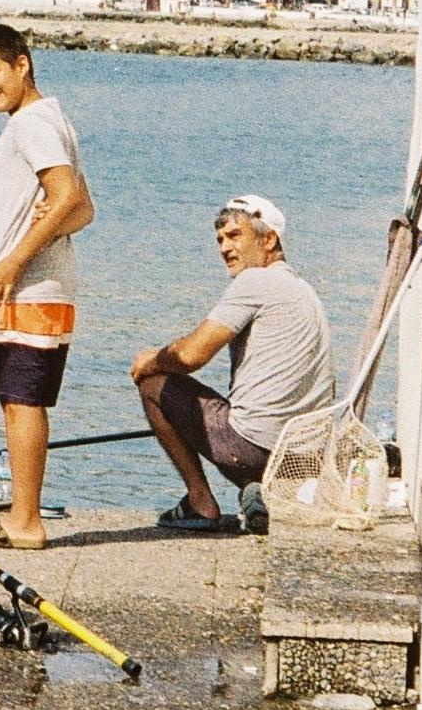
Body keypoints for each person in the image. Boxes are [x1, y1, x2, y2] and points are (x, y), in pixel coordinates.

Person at [132, 194, 334, 534]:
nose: (225, 248)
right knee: (241, 416)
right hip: (304, 457)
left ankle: (200, 501)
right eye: (221, 240)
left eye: (235, 236)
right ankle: (257, 491)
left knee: (153, 384)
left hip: (255, 448)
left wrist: (150, 360)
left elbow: (191, 355)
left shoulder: (255, 281)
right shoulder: (303, 290)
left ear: (268, 239)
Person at [0, 23, 88, 553]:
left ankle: (26, 520)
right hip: (34, 282)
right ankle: (22, 513)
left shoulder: (33, 122)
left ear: (22, 63)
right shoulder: (45, 119)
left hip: (30, 285)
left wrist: (13, 262)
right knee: (16, 400)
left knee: (22, 400)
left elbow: (66, 198)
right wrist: (51, 219)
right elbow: (82, 207)